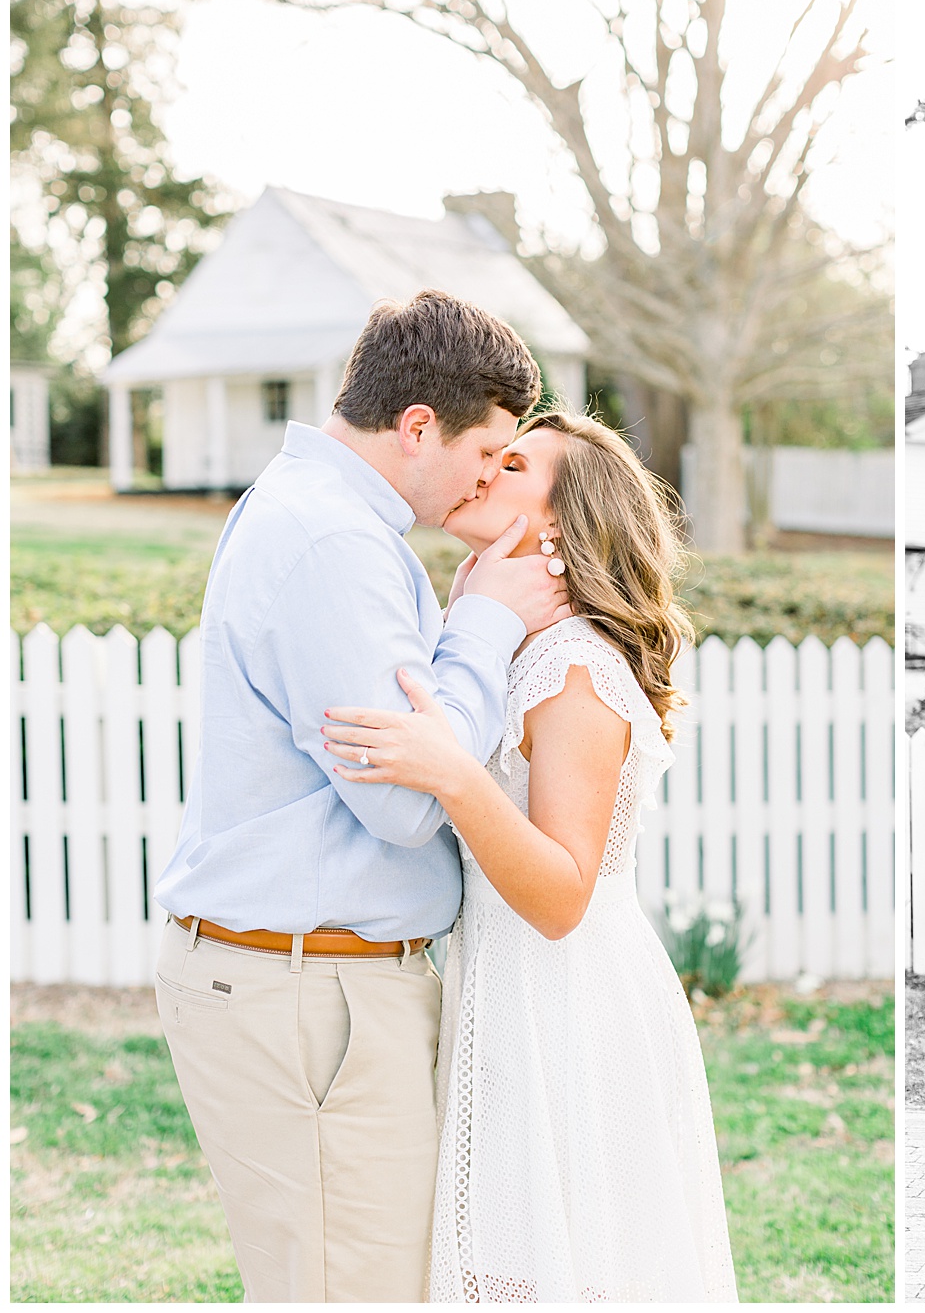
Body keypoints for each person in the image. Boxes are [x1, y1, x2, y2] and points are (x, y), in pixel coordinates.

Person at [153, 290, 569, 1301]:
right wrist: (481, 627)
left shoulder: (323, 515)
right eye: (488, 449)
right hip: (310, 991)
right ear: (419, 425)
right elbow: (404, 799)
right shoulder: (334, 541)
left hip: (310, 981)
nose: (487, 475)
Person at [320, 409, 738, 1302]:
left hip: (566, 1001)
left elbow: (560, 897)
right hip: (500, 982)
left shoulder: (573, 668)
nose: (481, 471)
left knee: (549, 1267)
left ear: (560, 522)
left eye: (511, 464)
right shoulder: (511, 645)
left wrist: (452, 776)